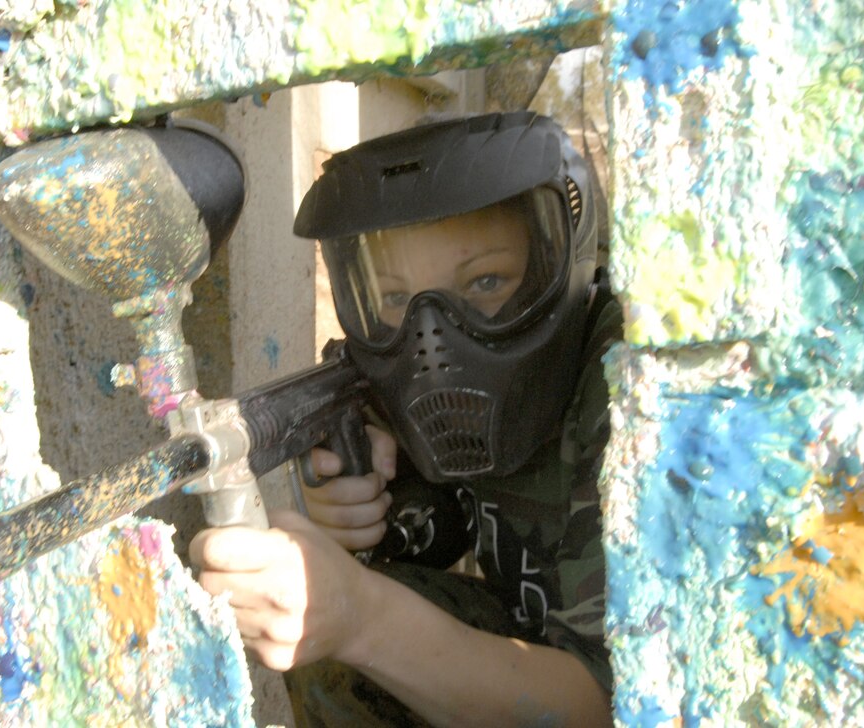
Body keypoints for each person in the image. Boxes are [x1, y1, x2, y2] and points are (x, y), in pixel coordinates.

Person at [189, 111, 622, 726]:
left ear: (562, 259)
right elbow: (457, 520)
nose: (431, 341)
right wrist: (374, 514)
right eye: (396, 299)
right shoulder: (389, 380)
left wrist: (360, 616)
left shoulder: (630, 389)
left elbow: (616, 706)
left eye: (487, 281)